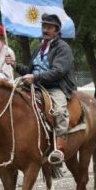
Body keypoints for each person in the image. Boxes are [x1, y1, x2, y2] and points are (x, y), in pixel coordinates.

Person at [7, 13, 77, 164]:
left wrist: (35, 77)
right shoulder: (39, 47)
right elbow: (31, 70)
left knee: (59, 111)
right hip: (35, 84)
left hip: (56, 86)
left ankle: (59, 148)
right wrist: (15, 65)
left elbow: (58, 71)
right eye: (43, 26)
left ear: (57, 30)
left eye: (49, 27)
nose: (45, 30)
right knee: (9, 98)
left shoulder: (63, 48)